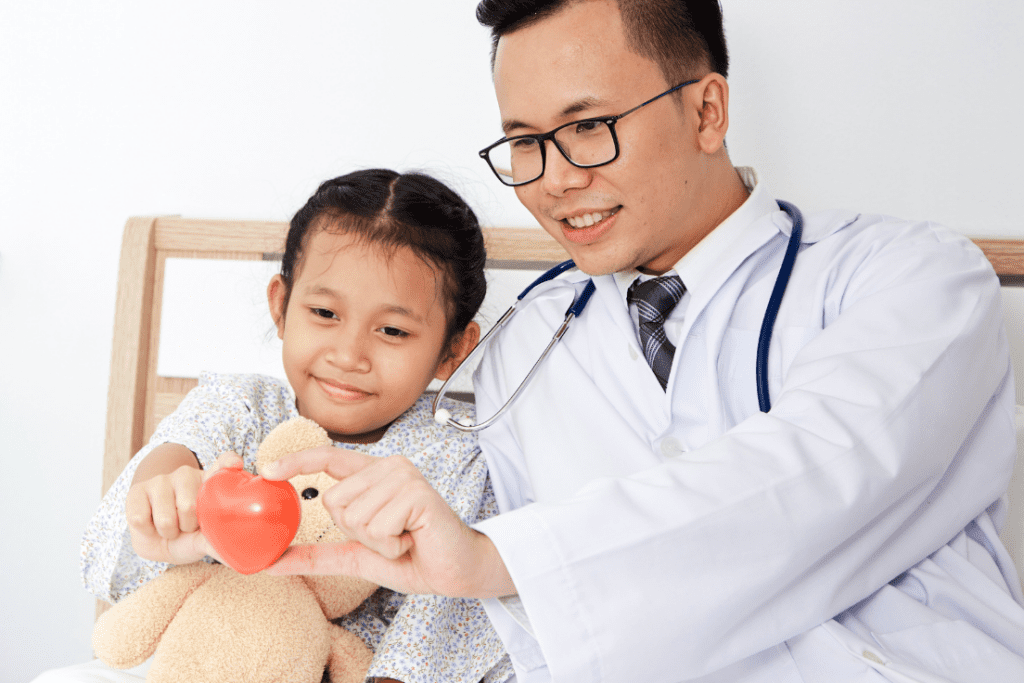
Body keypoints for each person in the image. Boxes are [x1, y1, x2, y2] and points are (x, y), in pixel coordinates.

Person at [263, 1, 1024, 682]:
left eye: (588, 128)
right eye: (525, 142)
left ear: (707, 112)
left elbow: (819, 476)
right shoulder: (518, 348)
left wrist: (501, 560)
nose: (554, 180)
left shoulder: (912, 278)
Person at [38, 169, 512, 683]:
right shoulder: (240, 406)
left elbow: (446, 619)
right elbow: (176, 457)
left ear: (453, 350)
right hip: (203, 660)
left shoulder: (459, 457)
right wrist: (166, 493)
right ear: (281, 306)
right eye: (325, 312)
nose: (348, 355)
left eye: (393, 331)